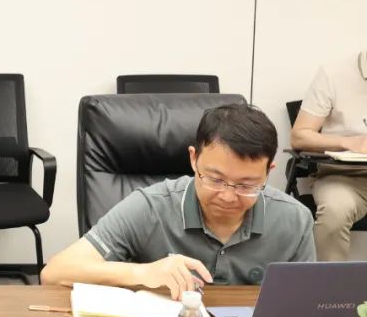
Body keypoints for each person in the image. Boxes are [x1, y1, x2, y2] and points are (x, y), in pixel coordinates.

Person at [41, 103, 315, 299]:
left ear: (269, 172)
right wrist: (144, 273)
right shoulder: (150, 207)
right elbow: (55, 273)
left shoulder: (294, 219)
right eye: (215, 179)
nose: (228, 196)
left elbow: (306, 304)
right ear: (194, 158)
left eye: (247, 185)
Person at [290, 51, 367, 261]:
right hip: (346, 177)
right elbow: (299, 136)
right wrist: (348, 142)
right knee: (335, 211)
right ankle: (330, 283)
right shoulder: (334, 73)